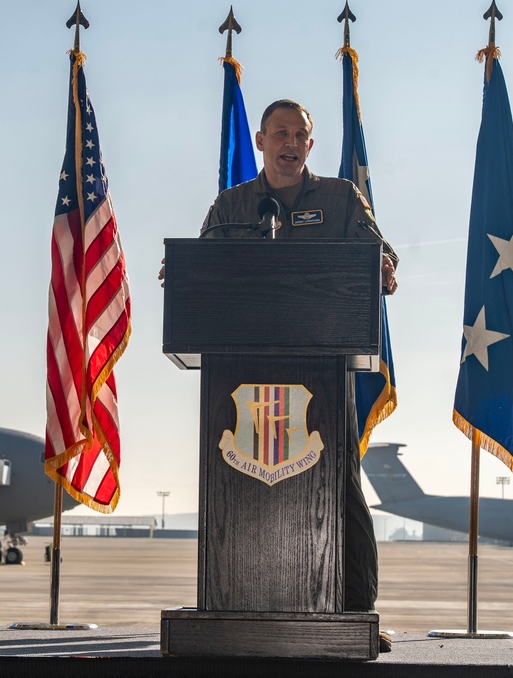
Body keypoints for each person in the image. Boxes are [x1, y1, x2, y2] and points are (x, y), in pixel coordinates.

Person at [176, 99, 398, 648]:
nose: (290, 143)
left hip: (323, 372)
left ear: (310, 145)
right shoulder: (232, 206)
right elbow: (198, 269)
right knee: (241, 491)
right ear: (260, 140)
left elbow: (378, 250)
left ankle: (356, 613)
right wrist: (180, 273)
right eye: (281, 133)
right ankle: (236, 605)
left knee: (341, 489)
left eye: (300, 135)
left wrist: (385, 266)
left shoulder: (342, 198)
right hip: (241, 380)